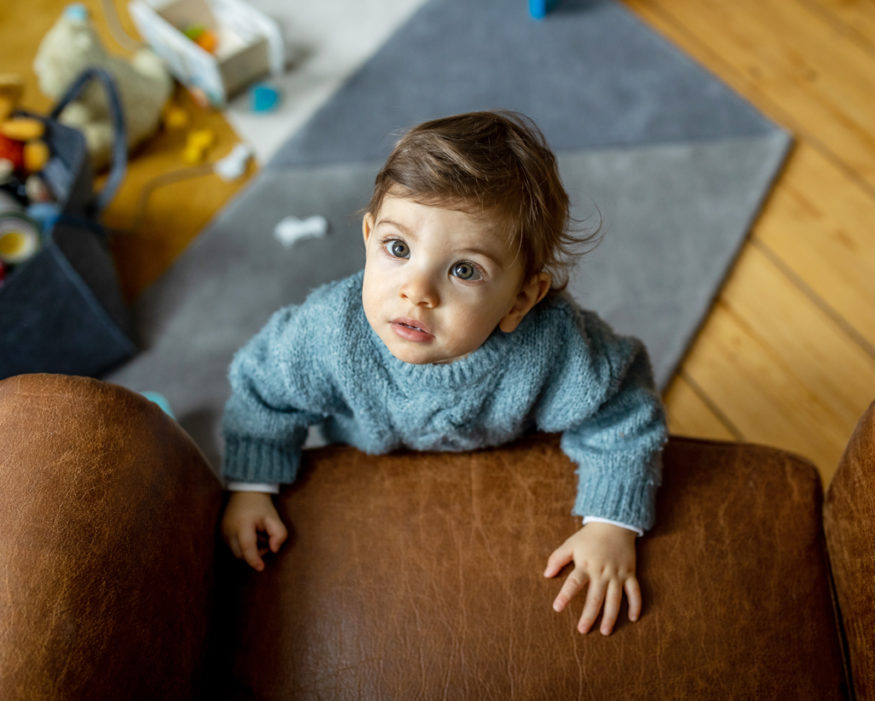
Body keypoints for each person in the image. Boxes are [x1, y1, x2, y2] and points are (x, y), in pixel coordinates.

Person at [219, 110, 667, 636]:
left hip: (512, 456)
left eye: (463, 270)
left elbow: (624, 410)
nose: (417, 291)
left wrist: (610, 524)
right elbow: (264, 391)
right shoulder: (328, 332)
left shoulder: (553, 346)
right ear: (368, 238)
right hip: (365, 455)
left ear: (521, 298)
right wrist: (252, 486)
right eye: (398, 249)